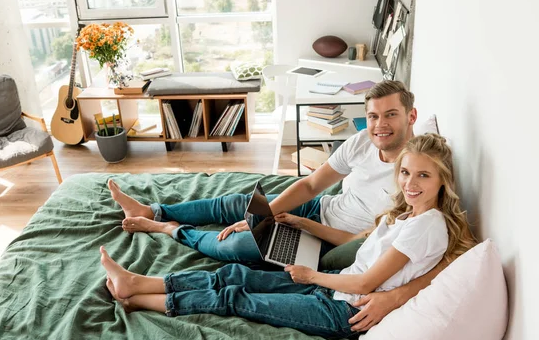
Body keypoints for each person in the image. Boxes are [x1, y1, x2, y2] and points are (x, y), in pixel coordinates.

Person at [100, 134, 477, 339]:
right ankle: (138, 282)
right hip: (333, 288)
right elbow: (357, 250)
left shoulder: (428, 225)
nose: (410, 183)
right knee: (237, 275)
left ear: (443, 179)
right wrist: (304, 226)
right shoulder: (408, 215)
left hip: (342, 310)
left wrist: (310, 275)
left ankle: (139, 300)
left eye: (423, 176)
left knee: (236, 296)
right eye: (406, 173)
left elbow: (366, 281)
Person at [107, 80, 418, 264]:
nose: (380, 125)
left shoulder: (416, 178)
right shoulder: (363, 141)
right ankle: (154, 209)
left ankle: (167, 228)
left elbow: (363, 241)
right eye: (374, 116)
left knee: (235, 245)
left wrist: (300, 225)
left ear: (411, 116)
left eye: (391, 115)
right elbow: (311, 185)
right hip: (320, 209)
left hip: (328, 242)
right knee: (234, 204)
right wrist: (262, 214)